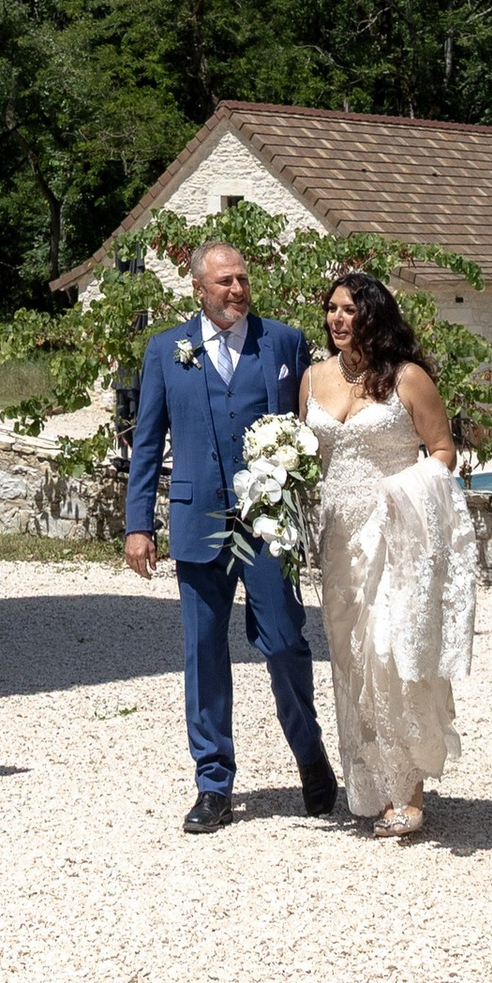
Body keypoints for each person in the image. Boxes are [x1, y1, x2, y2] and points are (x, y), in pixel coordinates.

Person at [124, 239, 342, 835]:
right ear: (199, 289)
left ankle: (311, 757)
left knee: (283, 640)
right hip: (200, 522)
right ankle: (213, 782)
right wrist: (139, 523)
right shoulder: (168, 350)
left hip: (262, 526)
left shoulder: (284, 343)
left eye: (242, 278)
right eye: (224, 282)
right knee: (204, 652)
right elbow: (147, 443)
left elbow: (312, 423)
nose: (236, 289)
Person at [301, 268, 478, 840]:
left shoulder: (408, 378)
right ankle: (370, 785)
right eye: (332, 309)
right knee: (351, 658)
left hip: (394, 535)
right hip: (338, 541)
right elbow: (306, 456)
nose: (338, 319)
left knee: (389, 654)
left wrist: (404, 490)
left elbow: (444, 452)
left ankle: (408, 789)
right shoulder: (312, 378)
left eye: (350, 310)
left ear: (374, 316)